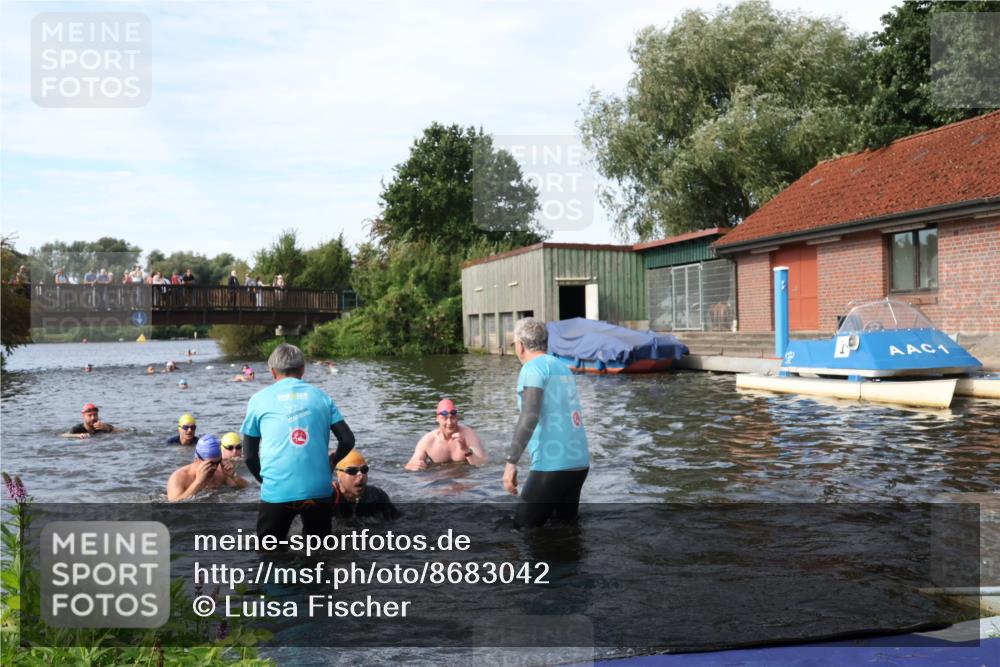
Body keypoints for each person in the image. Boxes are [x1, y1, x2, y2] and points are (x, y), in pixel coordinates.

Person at [241, 343, 355, 542]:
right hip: (318, 489)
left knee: (270, 554)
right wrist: (333, 461)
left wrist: (265, 480)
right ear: (302, 369)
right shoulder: (321, 397)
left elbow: (249, 455)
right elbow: (347, 439)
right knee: (319, 553)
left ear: (272, 371)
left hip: (277, 489)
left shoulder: (258, 400)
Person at [503, 318, 590, 528]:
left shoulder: (532, 369)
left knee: (522, 530)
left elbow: (530, 414)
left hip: (552, 464)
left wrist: (511, 462)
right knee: (565, 530)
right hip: (579, 462)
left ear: (520, 345)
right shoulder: (562, 367)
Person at [405, 399, 486, 470]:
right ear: (437, 419)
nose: (449, 422)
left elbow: (482, 464)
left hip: (464, 480)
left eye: (452, 417)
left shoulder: (468, 435)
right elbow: (409, 466)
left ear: (457, 417)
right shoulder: (427, 441)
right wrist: (414, 466)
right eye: (445, 418)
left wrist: (466, 450)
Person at [166, 434, 247, 501]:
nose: (214, 467)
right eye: (210, 463)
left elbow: (246, 488)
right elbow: (174, 506)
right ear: (197, 459)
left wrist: (234, 476)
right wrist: (198, 482)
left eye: (218, 462)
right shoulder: (178, 478)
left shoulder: (220, 474)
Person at [331, 449, 399, 521]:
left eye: (364, 470)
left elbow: (398, 521)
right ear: (338, 475)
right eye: (352, 471)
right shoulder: (327, 498)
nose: (361, 476)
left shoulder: (376, 496)